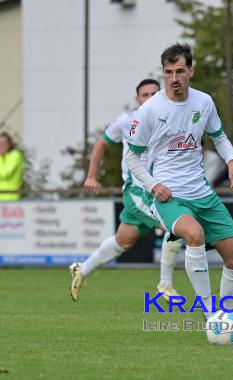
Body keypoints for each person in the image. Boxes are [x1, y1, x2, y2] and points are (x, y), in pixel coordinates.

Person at [125, 43, 233, 319]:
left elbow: (219, 137)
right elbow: (133, 158)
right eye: (168, 72)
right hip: (168, 195)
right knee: (194, 234)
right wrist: (154, 186)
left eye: (180, 71)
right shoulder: (150, 110)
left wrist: (232, 161)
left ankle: (229, 320)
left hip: (201, 192)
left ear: (191, 71)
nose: (174, 78)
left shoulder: (203, 102)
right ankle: (209, 314)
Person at [69, 79, 183, 302]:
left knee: (124, 240)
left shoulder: (169, 119)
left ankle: (81, 269)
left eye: (154, 93)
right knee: (175, 225)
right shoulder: (127, 121)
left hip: (157, 189)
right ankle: (165, 285)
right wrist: (92, 175)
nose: (149, 97)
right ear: (137, 99)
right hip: (137, 191)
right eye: (144, 94)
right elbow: (102, 143)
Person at [0, 132, 24, 201]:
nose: (1, 146)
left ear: (10, 144)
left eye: (3, 144)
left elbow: (5, 174)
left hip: (11, 199)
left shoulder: (15, 155)